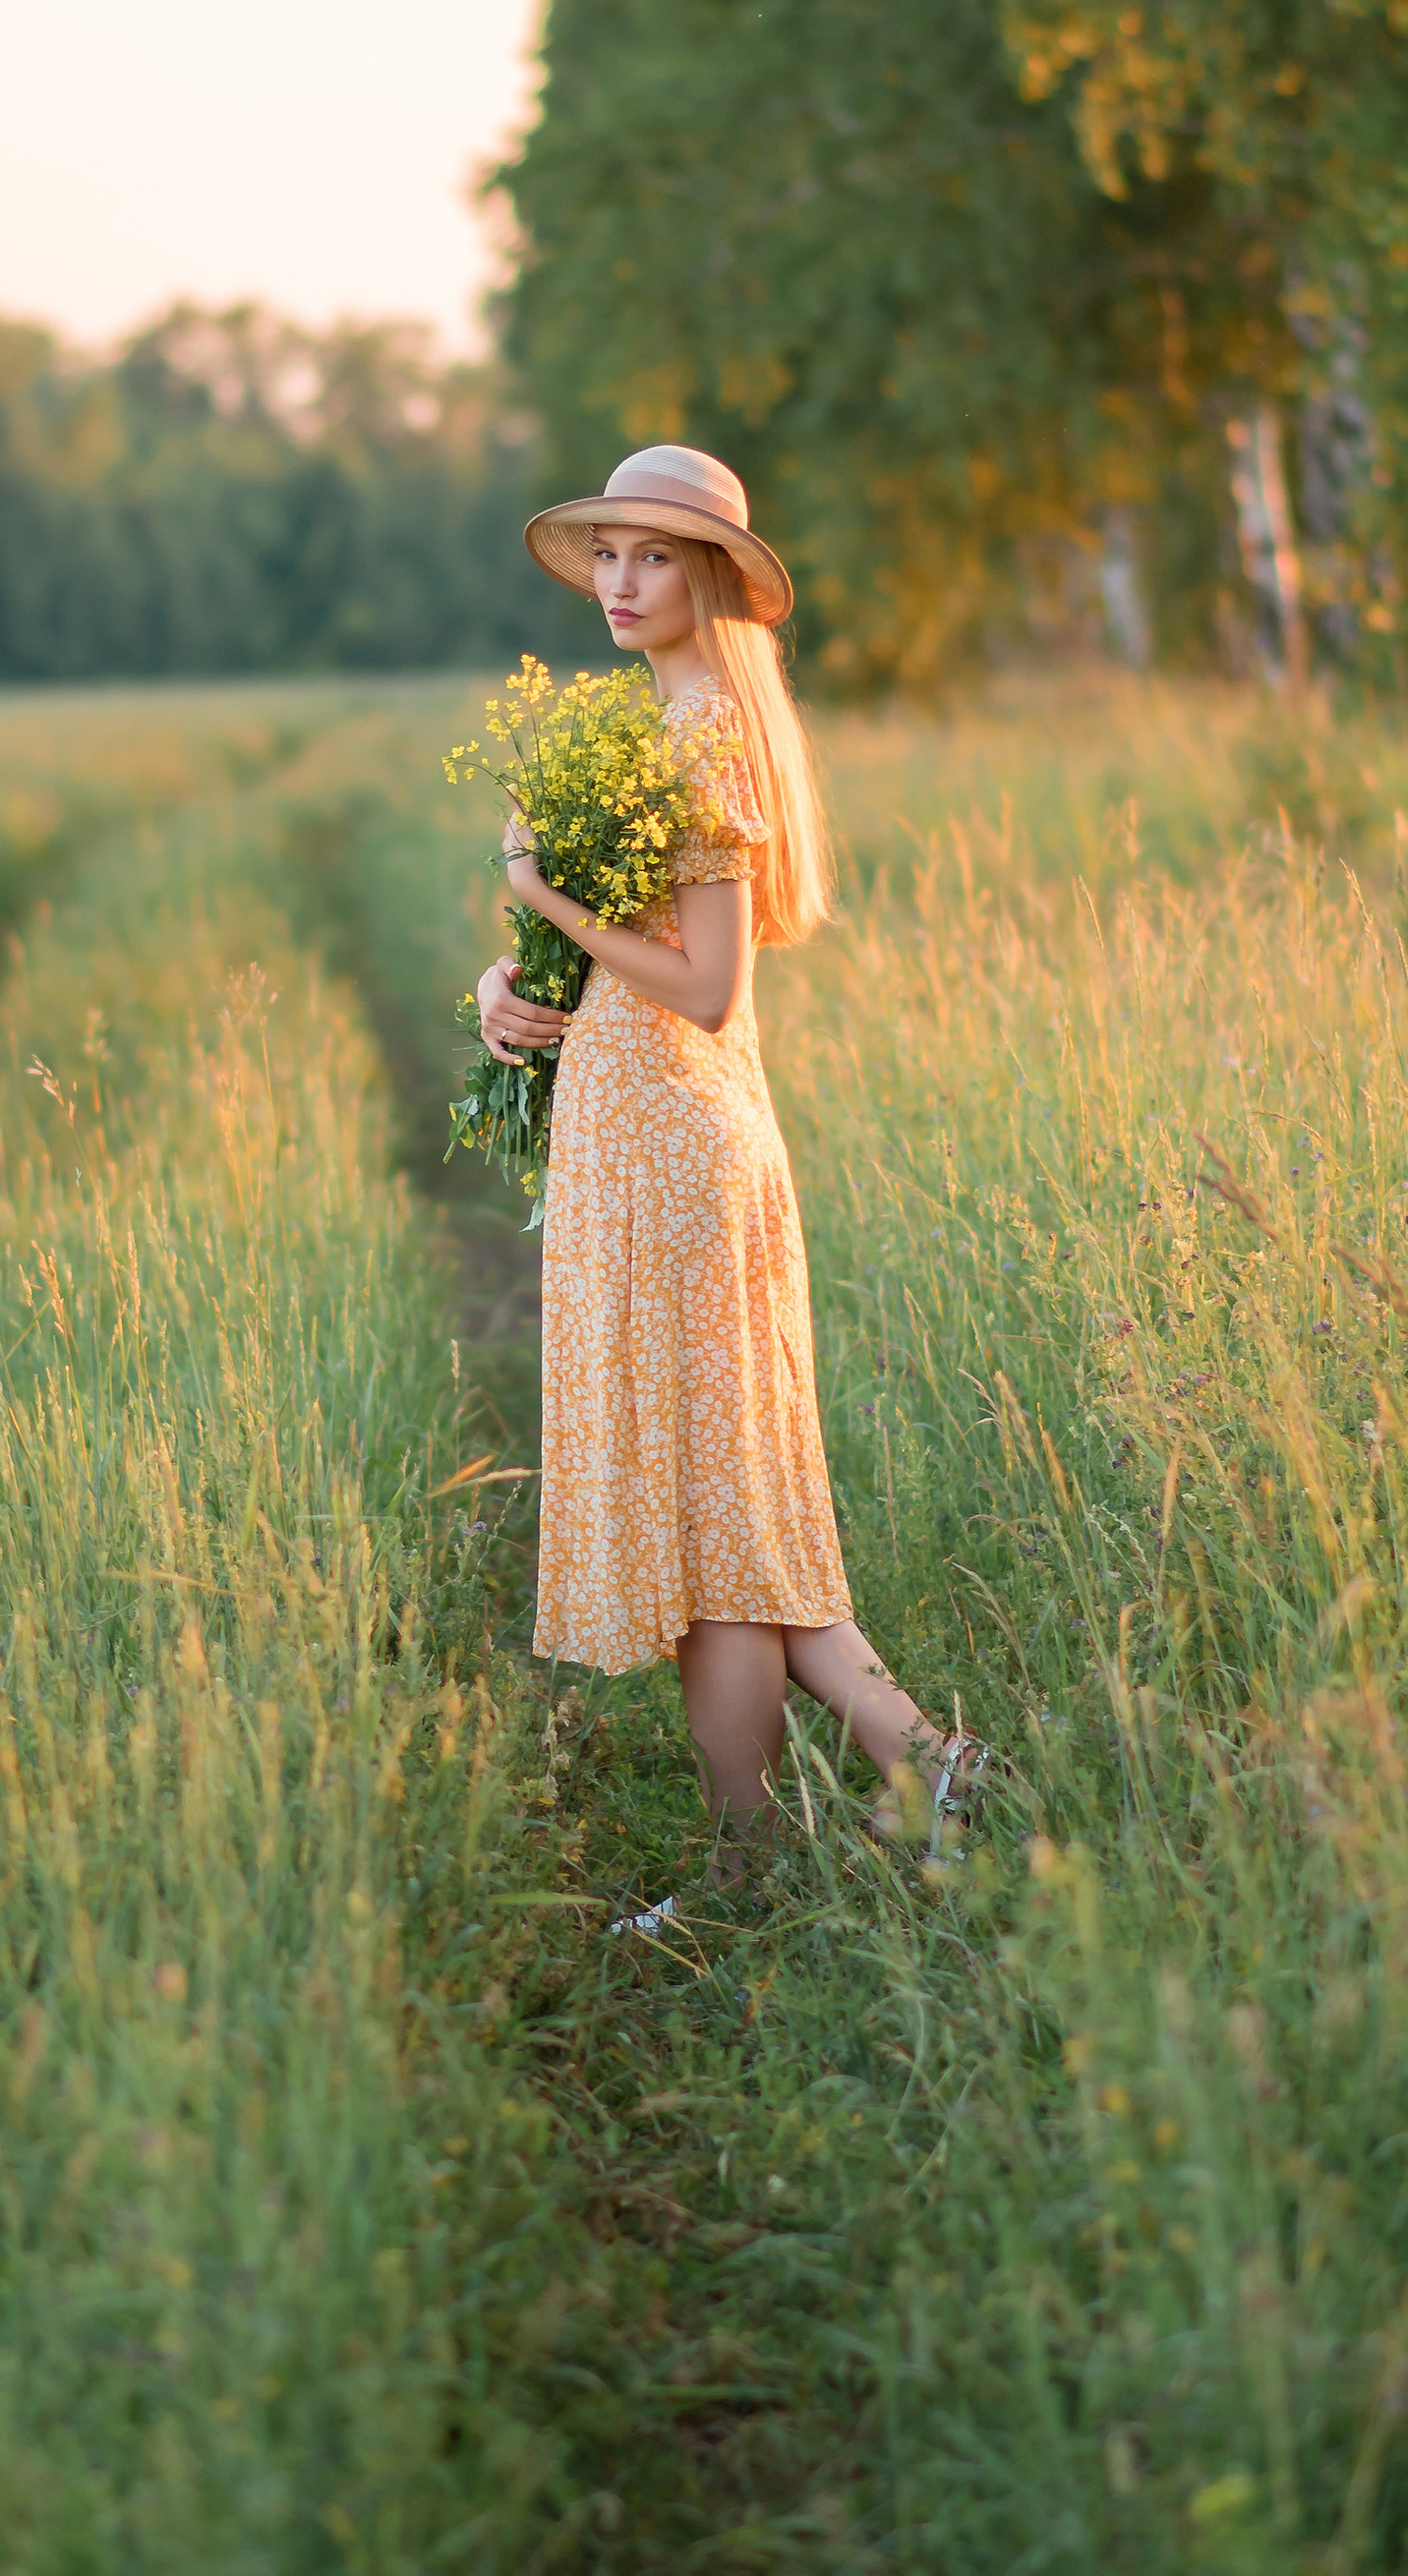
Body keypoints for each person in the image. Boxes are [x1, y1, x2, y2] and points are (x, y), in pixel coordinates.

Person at [479, 442, 981, 1921]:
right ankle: (929, 1769)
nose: (623, 582)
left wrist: (542, 893)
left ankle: (749, 1874)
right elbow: (619, 966)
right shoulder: (664, 725)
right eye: (610, 554)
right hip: (646, 1142)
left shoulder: (702, 741)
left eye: (656, 556)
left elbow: (703, 987)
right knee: (731, 1523)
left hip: (678, 1153)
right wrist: (509, 984)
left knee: (714, 1534)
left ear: (712, 577)